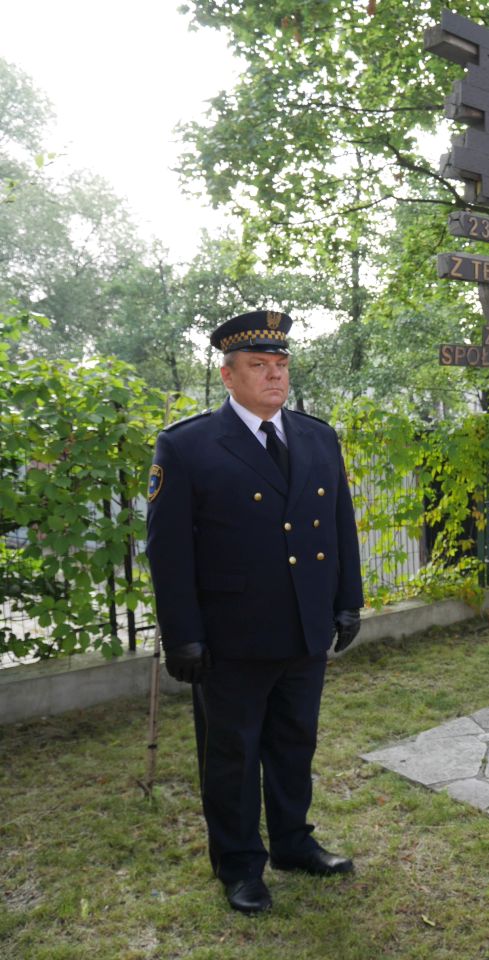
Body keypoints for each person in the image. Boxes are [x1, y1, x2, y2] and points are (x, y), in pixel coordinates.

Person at [146, 310, 364, 915]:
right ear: (228, 375)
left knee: (295, 742)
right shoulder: (187, 445)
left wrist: (348, 600)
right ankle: (240, 863)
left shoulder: (317, 436)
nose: (275, 375)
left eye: (281, 365)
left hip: (304, 627)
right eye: (259, 365)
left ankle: (293, 843)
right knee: (232, 755)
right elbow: (168, 551)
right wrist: (182, 636)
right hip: (231, 637)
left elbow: (339, 525)